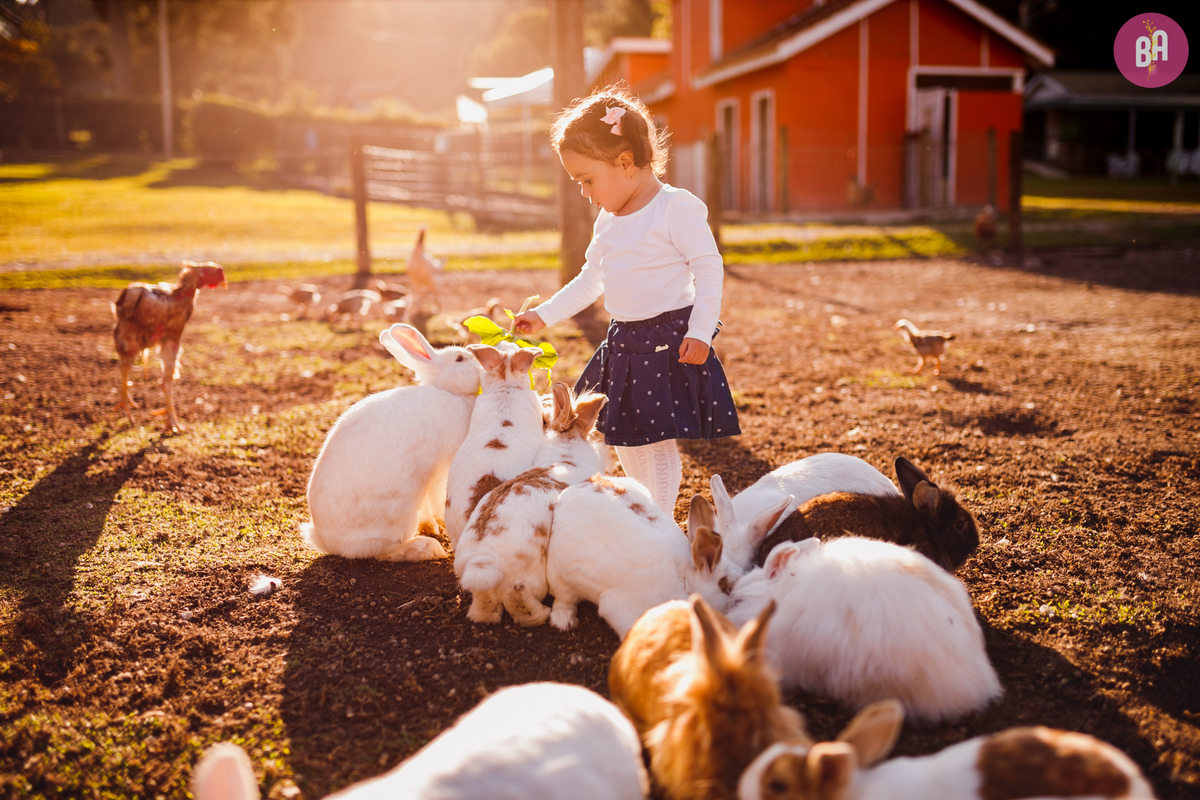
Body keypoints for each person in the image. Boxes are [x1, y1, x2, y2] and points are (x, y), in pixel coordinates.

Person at [512, 86, 740, 515]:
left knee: (655, 440)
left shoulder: (675, 207)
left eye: (587, 180)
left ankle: (658, 520)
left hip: (665, 342)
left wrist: (701, 331)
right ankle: (647, 516)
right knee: (624, 437)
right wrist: (543, 316)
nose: (585, 193)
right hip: (623, 342)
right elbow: (590, 280)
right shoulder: (608, 220)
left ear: (625, 163)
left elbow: (709, 269)